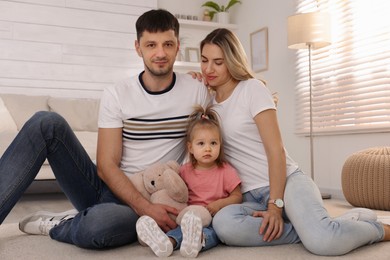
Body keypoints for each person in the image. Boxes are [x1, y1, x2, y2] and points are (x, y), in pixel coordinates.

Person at [0, 9, 210, 249]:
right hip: (112, 191)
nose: (160, 53)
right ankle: (80, 216)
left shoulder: (196, 90)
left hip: (157, 195)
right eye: (151, 44)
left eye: (168, 44)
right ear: (138, 47)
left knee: (98, 227)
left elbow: (224, 112)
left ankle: (66, 223)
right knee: (45, 122)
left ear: (178, 46)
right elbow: (107, 166)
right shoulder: (117, 93)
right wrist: (145, 208)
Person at [197, 28, 390, 256]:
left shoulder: (252, 89)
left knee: (324, 242)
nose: (209, 69)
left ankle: (379, 229)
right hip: (248, 195)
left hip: (287, 183)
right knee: (224, 225)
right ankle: (312, 228)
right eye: (204, 60)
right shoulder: (206, 99)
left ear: (232, 61)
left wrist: (275, 206)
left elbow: (276, 151)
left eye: (218, 62)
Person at [135, 105, 242, 258]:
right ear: (190, 148)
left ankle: (198, 241)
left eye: (213, 143)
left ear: (220, 145)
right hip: (187, 218)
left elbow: (237, 196)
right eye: (201, 144)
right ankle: (166, 243)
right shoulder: (184, 170)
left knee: (212, 233)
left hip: (212, 217)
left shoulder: (226, 171)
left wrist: (219, 204)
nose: (208, 149)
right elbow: (175, 192)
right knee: (181, 229)